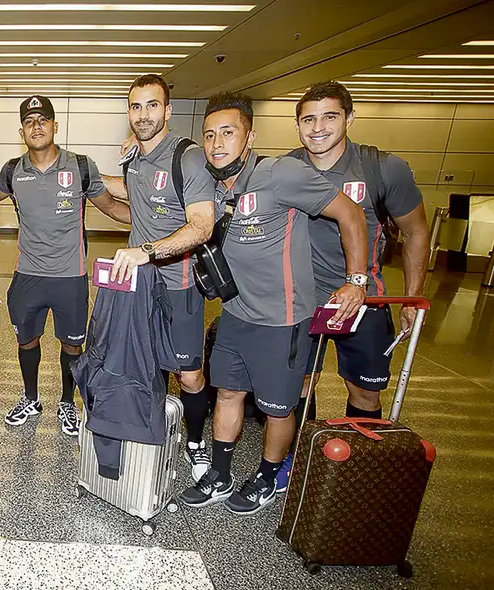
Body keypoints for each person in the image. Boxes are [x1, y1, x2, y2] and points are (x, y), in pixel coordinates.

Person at [179, 92, 369, 515]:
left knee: (277, 407)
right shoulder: (211, 183)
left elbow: (350, 214)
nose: (217, 143)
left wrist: (356, 281)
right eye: (209, 135)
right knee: (227, 393)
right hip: (234, 314)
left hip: (283, 320)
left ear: (250, 136)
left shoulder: (282, 173)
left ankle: (268, 475)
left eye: (228, 133)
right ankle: (221, 474)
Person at [275, 81, 430, 492]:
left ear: (349, 117)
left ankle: (360, 469)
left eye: (330, 116)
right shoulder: (287, 168)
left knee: (363, 391)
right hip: (301, 300)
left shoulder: (381, 168)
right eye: (308, 118)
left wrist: (413, 298)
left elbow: (415, 231)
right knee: (297, 386)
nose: (318, 127)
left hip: (365, 299)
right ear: (297, 125)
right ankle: (297, 460)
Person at [102, 74, 219, 481]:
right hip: (139, 288)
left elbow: (202, 226)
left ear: (168, 110)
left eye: (153, 105)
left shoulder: (187, 157)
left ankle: (195, 441)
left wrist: (145, 252)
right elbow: (130, 195)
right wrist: (83, 176)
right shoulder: (133, 158)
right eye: (136, 106)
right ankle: (150, 434)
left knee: (189, 374)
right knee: (144, 367)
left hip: (179, 286)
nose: (143, 114)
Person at [0, 95, 130, 436]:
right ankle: (30, 397)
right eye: (29, 122)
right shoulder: (12, 172)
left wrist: (160, 232)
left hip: (70, 277)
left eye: (43, 120)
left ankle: (67, 403)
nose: (36, 126)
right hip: (27, 276)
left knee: (72, 345)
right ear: (21, 131)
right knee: (27, 341)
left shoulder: (80, 166)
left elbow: (113, 208)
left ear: (55, 126)